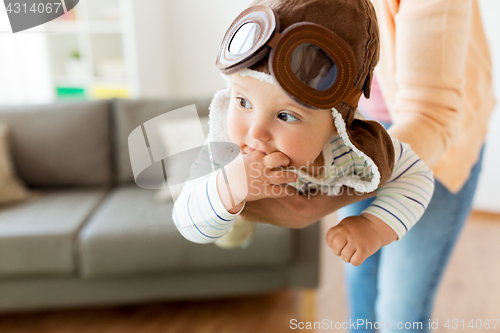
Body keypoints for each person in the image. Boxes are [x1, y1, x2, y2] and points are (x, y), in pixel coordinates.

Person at [240, 0, 496, 332]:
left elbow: (432, 116)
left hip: (434, 141)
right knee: (359, 271)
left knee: (400, 310)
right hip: (351, 129)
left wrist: (328, 198)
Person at [171, 0, 434, 267]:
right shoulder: (227, 147)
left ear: (336, 124)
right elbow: (185, 219)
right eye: (243, 102)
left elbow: (417, 175)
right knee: (227, 233)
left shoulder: (354, 148)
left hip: (322, 184)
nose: (256, 132)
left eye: (286, 115)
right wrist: (229, 187)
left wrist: (373, 227)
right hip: (237, 215)